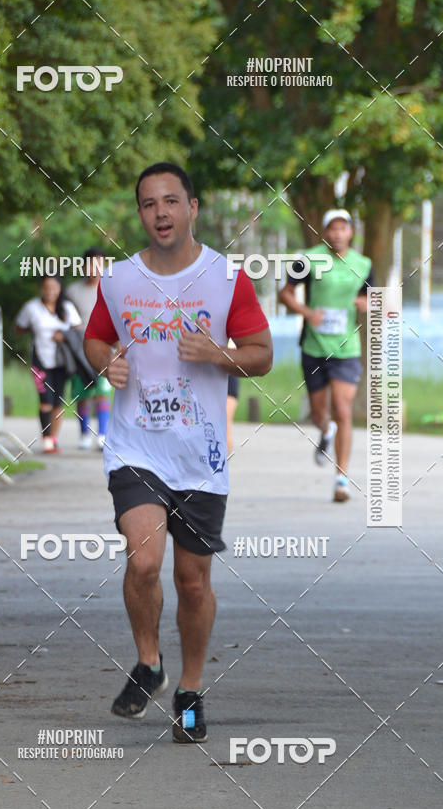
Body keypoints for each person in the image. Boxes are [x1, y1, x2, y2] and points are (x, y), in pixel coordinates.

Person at [84, 162, 272, 743]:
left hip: (201, 455)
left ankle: (188, 689)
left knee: (192, 582)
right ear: (139, 214)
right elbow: (96, 336)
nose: (160, 212)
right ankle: (148, 663)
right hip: (136, 446)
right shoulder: (118, 280)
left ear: (192, 207)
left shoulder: (225, 279)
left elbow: (262, 353)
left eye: (171, 201)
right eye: (148, 204)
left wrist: (219, 354)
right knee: (143, 560)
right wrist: (104, 363)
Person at [279, 208, 372, 502]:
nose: (337, 234)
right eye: (332, 228)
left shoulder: (364, 263)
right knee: (320, 413)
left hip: (347, 349)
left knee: (343, 410)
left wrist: (367, 302)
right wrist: (307, 312)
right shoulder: (308, 259)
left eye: (343, 228)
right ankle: (325, 430)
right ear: (324, 232)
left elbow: (374, 297)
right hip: (314, 347)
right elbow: (285, 293)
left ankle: (341, 479)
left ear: (351, 232)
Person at [15, 275, 81, 453]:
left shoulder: (67, 308)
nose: (50, 291)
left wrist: (63, 335)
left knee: (58, 401)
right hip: (40, 361)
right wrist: (34, 330)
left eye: (54, 287)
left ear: (60, 288)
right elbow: (19, 327)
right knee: (45, 401)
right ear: (41, 288)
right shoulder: (32, 307)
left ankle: (53, 438)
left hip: (62, 361)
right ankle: (46, 440)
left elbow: (79, 328)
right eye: (46, 287)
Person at [66, 247, 112, 450]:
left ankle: (102, 434)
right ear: (83, 266)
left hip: (105, 347)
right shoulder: (72, 291)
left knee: (102, 392)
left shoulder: (111, 288)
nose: (95, 268)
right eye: (91, 264)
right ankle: (84, 434)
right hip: (80, 349)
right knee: (82, 393)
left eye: (99, 264)